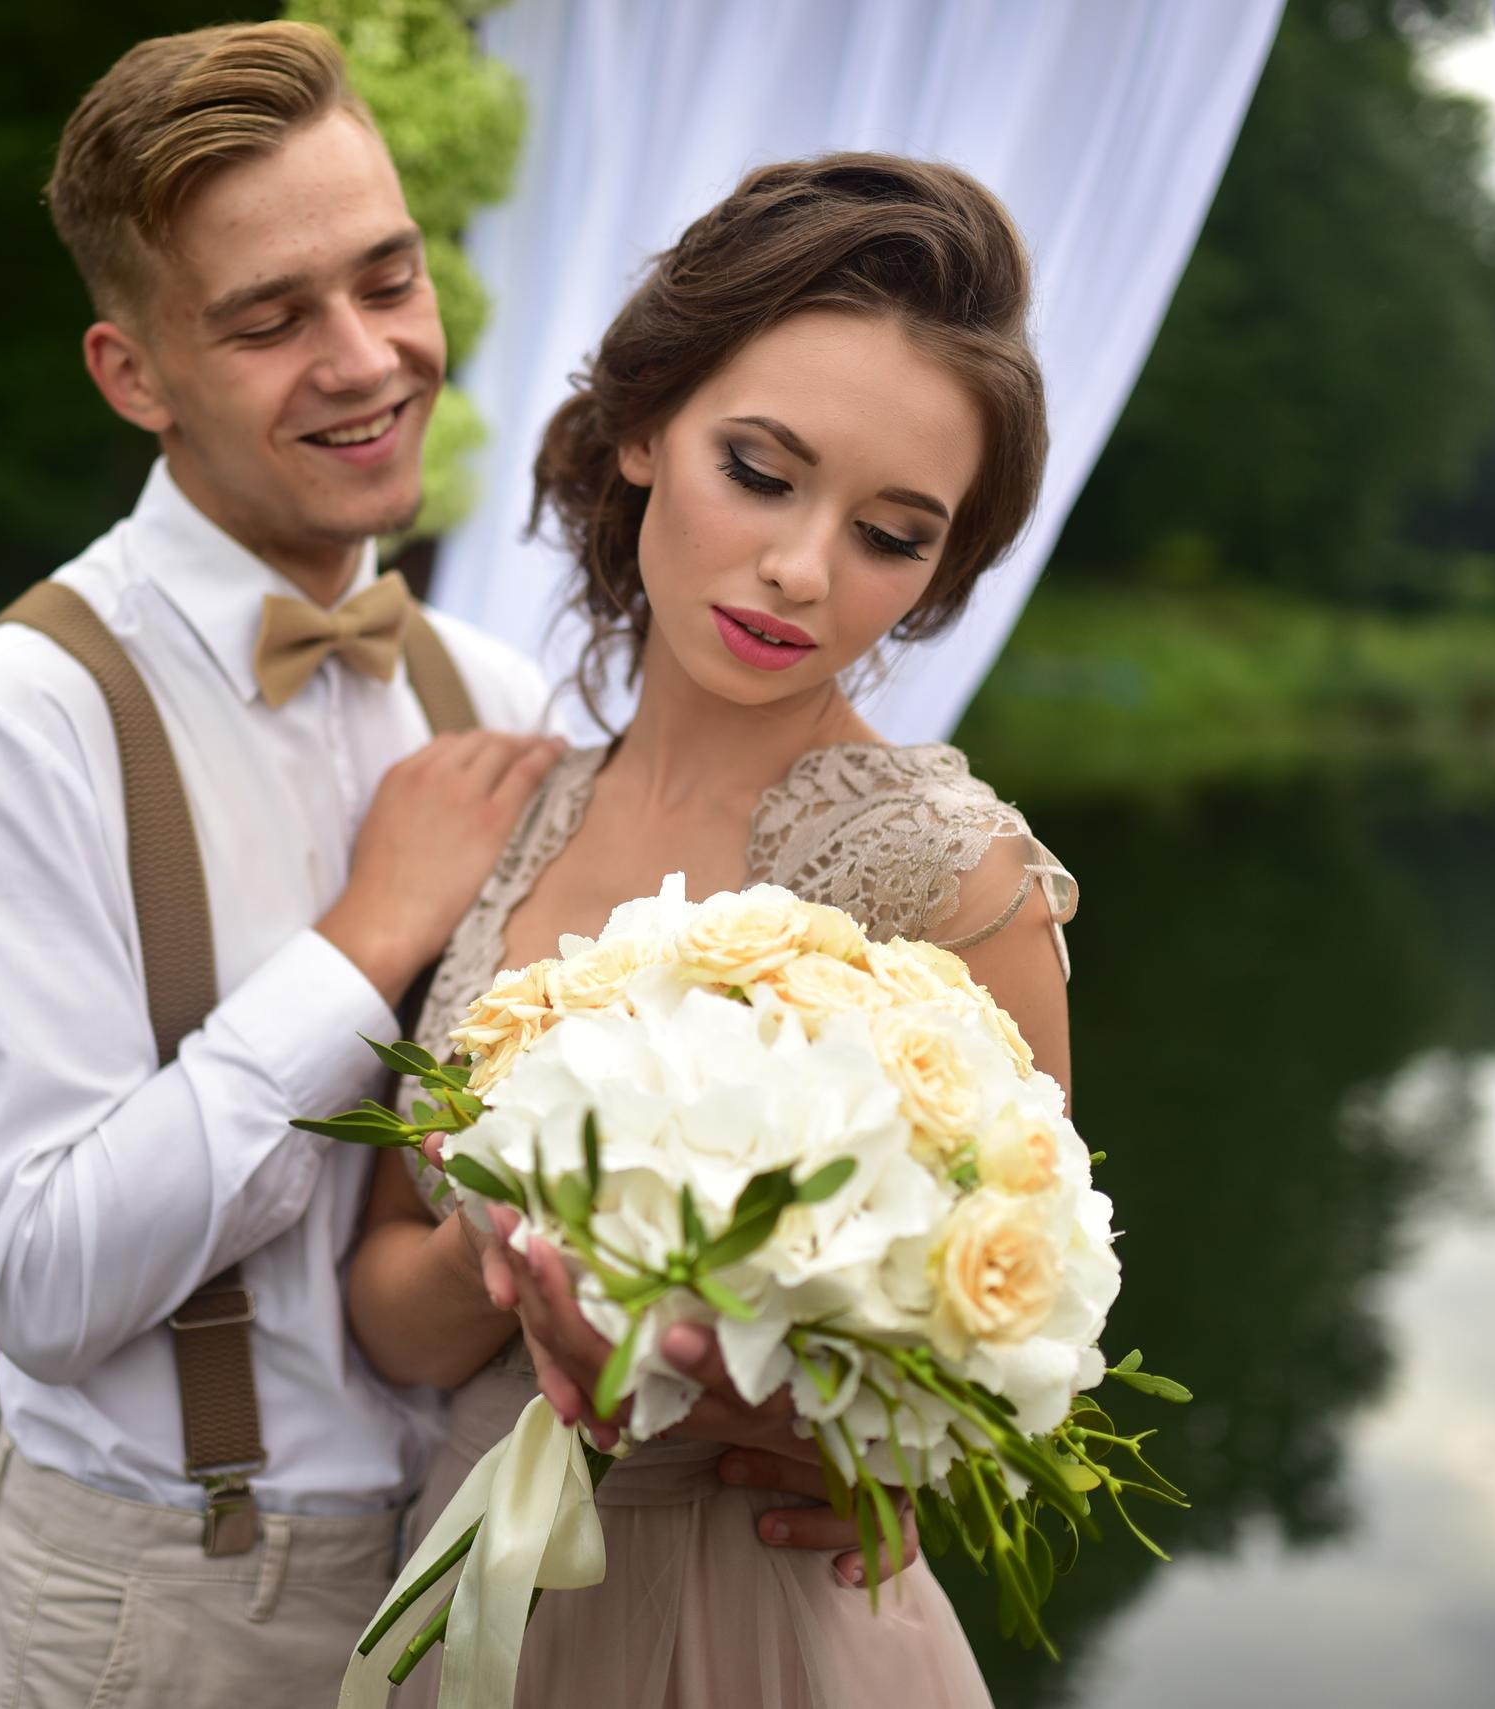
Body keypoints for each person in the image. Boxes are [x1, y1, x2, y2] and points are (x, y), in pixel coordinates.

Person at [0, 23, 566, 1709]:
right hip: (151, 1608)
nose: (367, 357)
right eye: (270, 320)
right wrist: (364, 941)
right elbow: (41, 1276)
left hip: (466, 1572)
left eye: (387, 277)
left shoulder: (498, 692)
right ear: (133, 374)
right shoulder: (18, 720)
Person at [344, 153, 1074, 1706]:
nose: (804, 570)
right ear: (642, 426)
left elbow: (1012, 1371)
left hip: (760, 1623)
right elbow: (395, 1324)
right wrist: (521, 1216)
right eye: (762, 469)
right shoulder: (515, 820)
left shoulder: (951, 881)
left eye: (893, 532)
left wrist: (826, 1429)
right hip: (468, 1591)